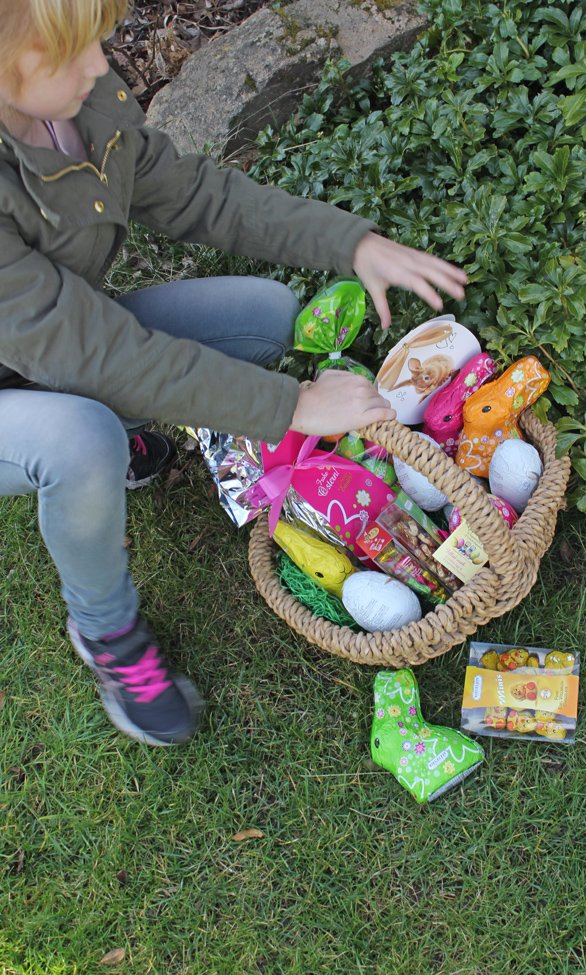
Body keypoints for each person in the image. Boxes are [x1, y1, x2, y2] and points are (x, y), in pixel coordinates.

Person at [0, 0, 467, 747]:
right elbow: (97, 353)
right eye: (72, 55)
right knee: (79, 441)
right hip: (29, 371)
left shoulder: (75, 94)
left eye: (98, 41)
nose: (101, 65)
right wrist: (293, 405)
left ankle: (114, 432)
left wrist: (350, 245)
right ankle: (107, 633)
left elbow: (193, 194)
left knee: (261, 313)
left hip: (59, 338)